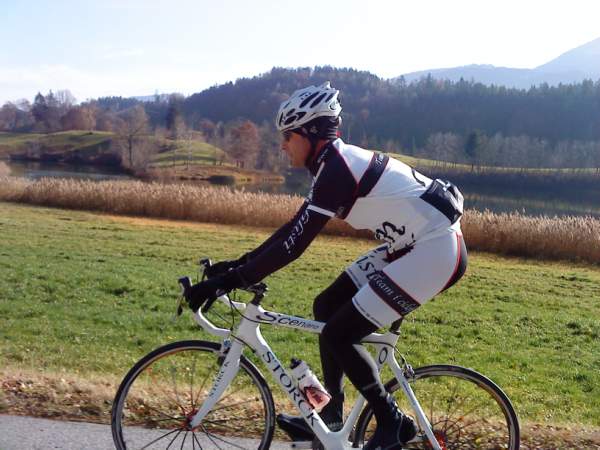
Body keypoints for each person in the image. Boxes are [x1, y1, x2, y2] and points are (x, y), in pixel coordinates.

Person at [186, 82, 467, 449]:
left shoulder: (339, 169)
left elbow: (293, 246)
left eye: (288, 136)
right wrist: (233, 268)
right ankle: (332, 416)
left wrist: (227, 281)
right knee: (326, 306)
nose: (283, 145)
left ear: (311, 133)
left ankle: (391, 422)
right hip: (409, 247)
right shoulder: (332, 166)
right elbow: (291, 230)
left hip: (434, 252)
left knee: (338, 333)